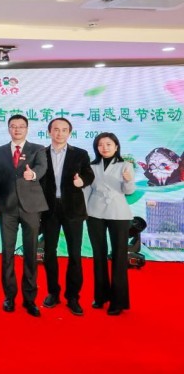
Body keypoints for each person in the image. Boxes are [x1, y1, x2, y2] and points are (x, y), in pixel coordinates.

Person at [39, 118, 95, 316]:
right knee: (49, 253)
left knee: (74, 254)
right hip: (49, 209)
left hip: (73, 209)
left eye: (64, 130)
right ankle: (53, 292)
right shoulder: (40, 153)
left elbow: (89, 174)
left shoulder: (80, 153)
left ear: (69, 133)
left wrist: (82, 181)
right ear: (49, 132)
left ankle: (73, 297)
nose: (59, 133)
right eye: (56, 129)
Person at [0, 114, 48, 317]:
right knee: (7, 253)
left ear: (27, 128)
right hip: (7, 208)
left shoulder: (38, 149)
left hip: (31, 207)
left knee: (31, 252)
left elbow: (42, 168)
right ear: (8, 129)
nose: (17, 129)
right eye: (13, 126)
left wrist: (32, 174)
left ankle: (30, 298)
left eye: (21, 126)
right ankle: (9, 296)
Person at [85, 132, 135, 316]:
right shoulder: (91, 166)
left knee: (119, 256)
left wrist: (128, 181)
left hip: (118, 213)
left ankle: (118, 301)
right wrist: (83, 211)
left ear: (116, 146)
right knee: (98, 255)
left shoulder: (125, 165)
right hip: (94, 212)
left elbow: (128, 191)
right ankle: (100, 297)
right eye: (100, 145)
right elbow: (86, 190)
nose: (104, 148)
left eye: (108, 144)